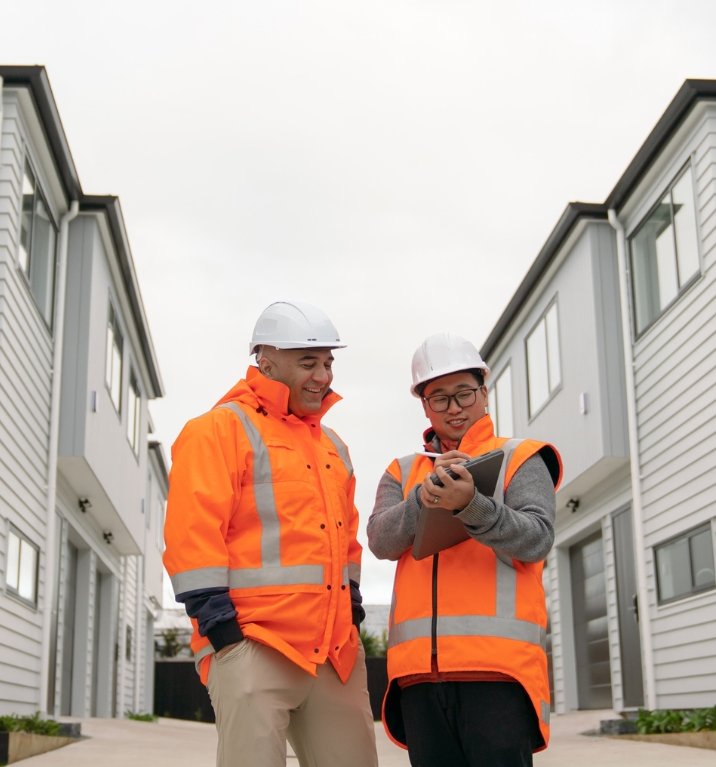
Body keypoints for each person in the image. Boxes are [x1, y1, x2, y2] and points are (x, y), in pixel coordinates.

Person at [164, 301, 377, 767]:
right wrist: (225, 635)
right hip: (254, 645)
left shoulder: (333, 446)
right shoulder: (219, 430)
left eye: (328, 363)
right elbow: (191, 536)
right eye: (308, 363)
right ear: (265, 361)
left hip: (334, 654)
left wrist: (352, 610)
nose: (323, 375)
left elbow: (347, 543)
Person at [367, 332, 562, 767]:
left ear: (484, 393)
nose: (454, 408)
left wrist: (472, 506)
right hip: (418, 676)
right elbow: (380, 540)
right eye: (439, 398)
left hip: (497, 672)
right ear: (424, 405)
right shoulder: (402, 471)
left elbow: (536, 538)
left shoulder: (521, 458)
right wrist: (424, 498)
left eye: (464, 393)